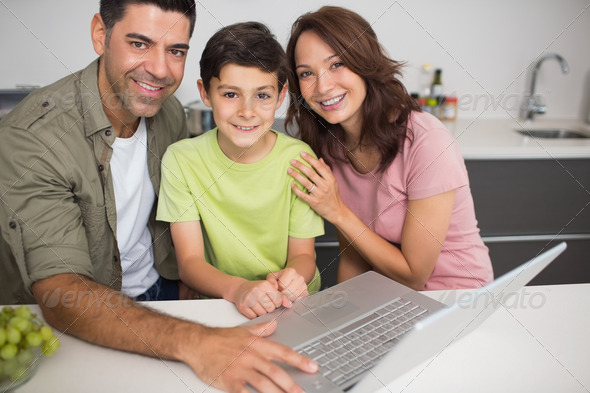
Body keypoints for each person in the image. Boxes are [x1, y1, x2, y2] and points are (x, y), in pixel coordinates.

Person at [0, 2, 317, 392]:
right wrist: (198, 340)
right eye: (139, 43)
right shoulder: (32, 139)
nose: (161, 69)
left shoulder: (165, 113)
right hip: (95, 312)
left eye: (176, 51)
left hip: (166, 296)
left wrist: (188, 288)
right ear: (101, 34)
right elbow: (63, 295)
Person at [285, 6, 494, 291]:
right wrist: (344, 316)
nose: (323, 86)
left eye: (337, 64)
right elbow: (354, 258)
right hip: (391, 298)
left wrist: (336, 210)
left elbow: (414, 275)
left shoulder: (426, 140)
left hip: (456, 298)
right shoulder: (329, 146)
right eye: (307, 73)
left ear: (365, 63)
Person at [156, 21, 324, 319]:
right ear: (205, 93)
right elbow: (190, 263)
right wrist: (239, 289)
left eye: (262, 95)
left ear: (281, 96)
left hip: (291, 305)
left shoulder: (299, 158)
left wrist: (293, 277)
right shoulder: (181, 161)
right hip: (222, 304)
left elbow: (303, 255)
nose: (247, 112)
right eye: (230, 94)